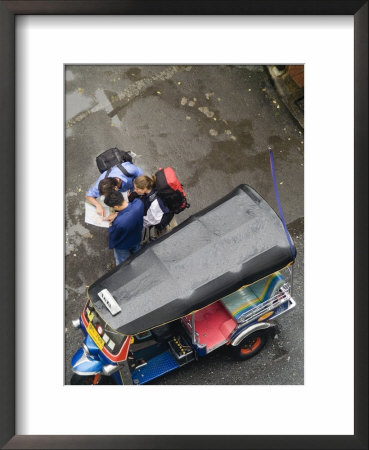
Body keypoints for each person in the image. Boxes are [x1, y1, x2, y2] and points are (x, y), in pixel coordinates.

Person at [103, 190, 144, 265]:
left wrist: (110, 225)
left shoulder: (119, 222)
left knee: (123, 263)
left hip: (123, 245)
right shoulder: (138, 203)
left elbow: (114, 236)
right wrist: (117, 214)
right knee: (138, 253)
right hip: (137, 237)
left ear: (115, 206)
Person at [133, 175, 177, 242]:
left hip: (167, 226)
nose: (135, 190)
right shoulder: (153, 189)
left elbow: (151, 221)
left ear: (144, 188)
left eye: (137, 189)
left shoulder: (155, 203)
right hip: (164, 216)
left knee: (167, 241)